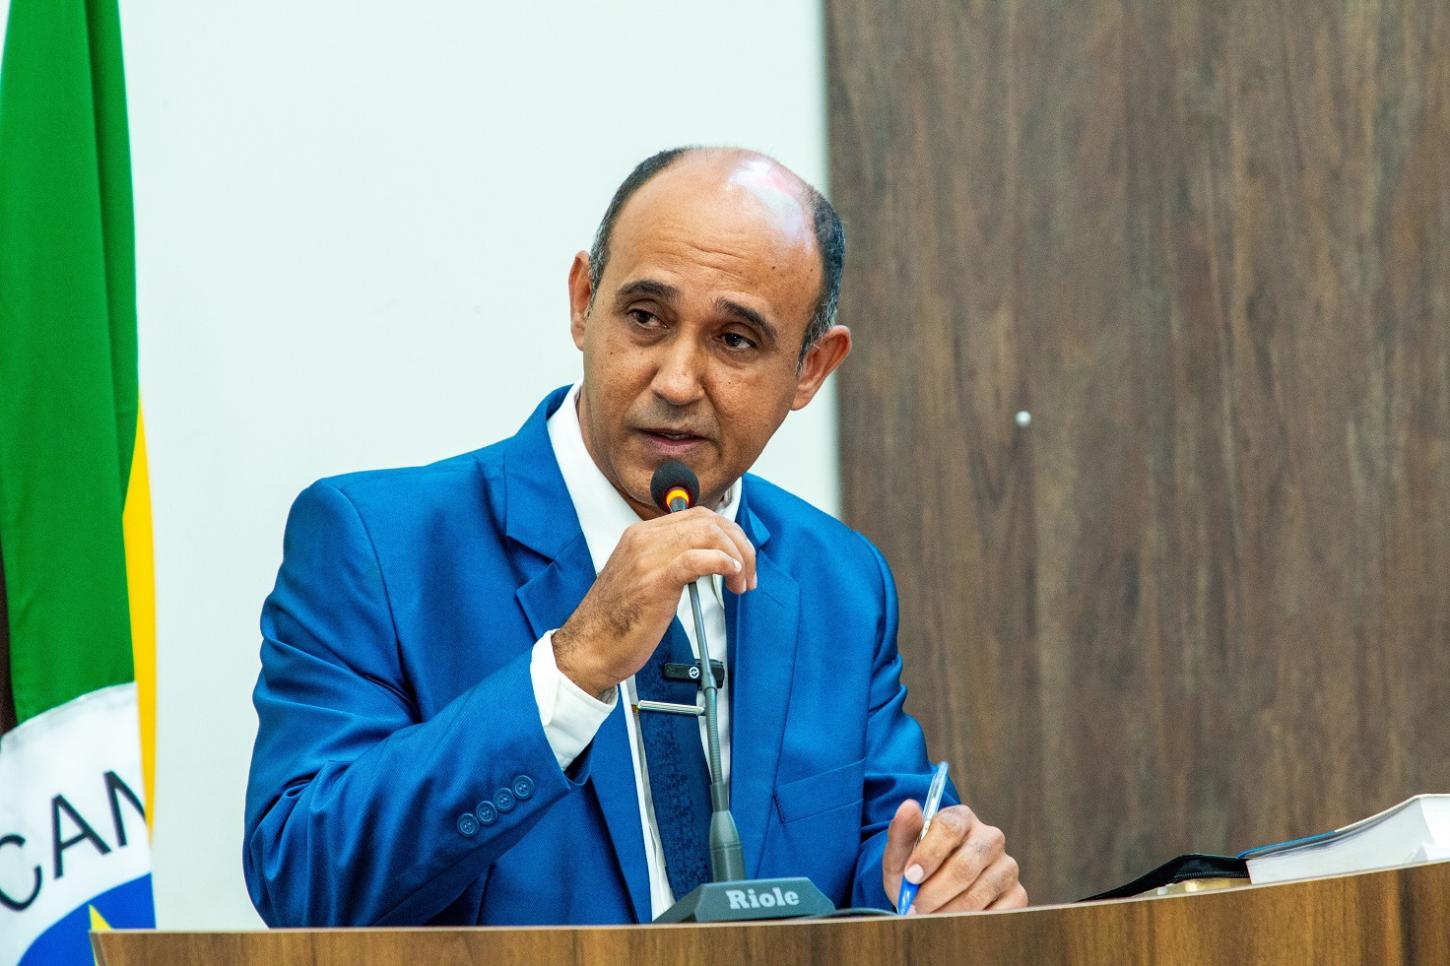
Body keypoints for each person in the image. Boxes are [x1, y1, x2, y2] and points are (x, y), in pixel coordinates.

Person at [243, 146, 1026, 926]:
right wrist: (571, 666)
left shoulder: (840, 582)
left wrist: (935, 886)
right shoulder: (380, 547)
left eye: (736, 340)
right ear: (584, 302)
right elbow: (302, 878)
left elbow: (885, 855)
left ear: (810, 369)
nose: (677, 381)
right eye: (646, 319)